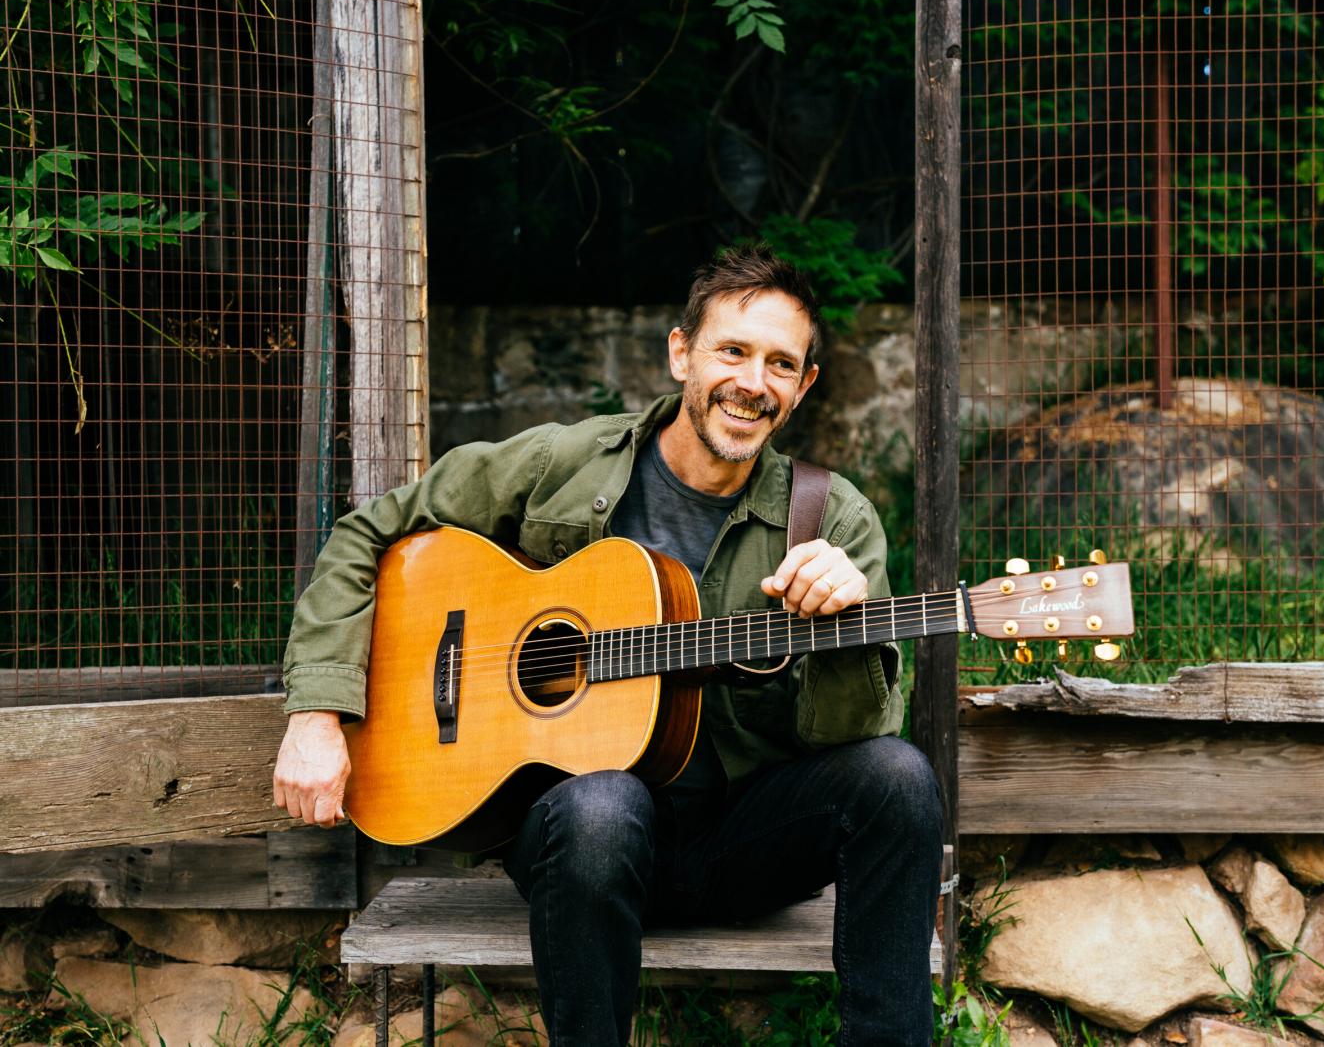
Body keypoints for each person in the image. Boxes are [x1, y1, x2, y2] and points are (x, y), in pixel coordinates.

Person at [274, 244, 943, 1045]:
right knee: (601, 803)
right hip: (580, 844)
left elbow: (846, 745)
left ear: (802, 387)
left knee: (900, 776)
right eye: (732, 350)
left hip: (747, 843)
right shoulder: (566, 461)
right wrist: (318, 707)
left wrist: (839, 628)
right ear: (681, 352)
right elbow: (368, 534)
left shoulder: (831, 523)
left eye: (780, 364)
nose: (751, 382)